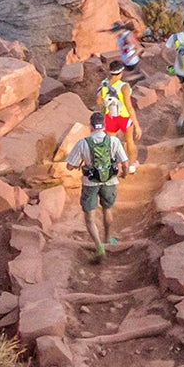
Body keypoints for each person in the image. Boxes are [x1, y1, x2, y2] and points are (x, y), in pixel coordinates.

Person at [65, 110, 128, 257]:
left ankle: (99, 246)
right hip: (109, 181)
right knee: (107, 209)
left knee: (89, 217)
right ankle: (107, 238)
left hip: (90, 183)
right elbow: (125, 162)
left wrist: (78, 165)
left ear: (91, 127)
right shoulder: (114, 141)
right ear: (104, 126)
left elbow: (69, 166)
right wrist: (124, 174)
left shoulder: (83, 143)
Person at [96, 60, 141, 168]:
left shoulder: (104, 84)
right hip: (124, 117)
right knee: (129, 141)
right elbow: (129, 106)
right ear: (121, 72)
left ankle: (113, 165)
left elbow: (99, 102)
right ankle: (131, 165)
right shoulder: (124, 86)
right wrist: (137, 125)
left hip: (110, 117)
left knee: (112, 142)